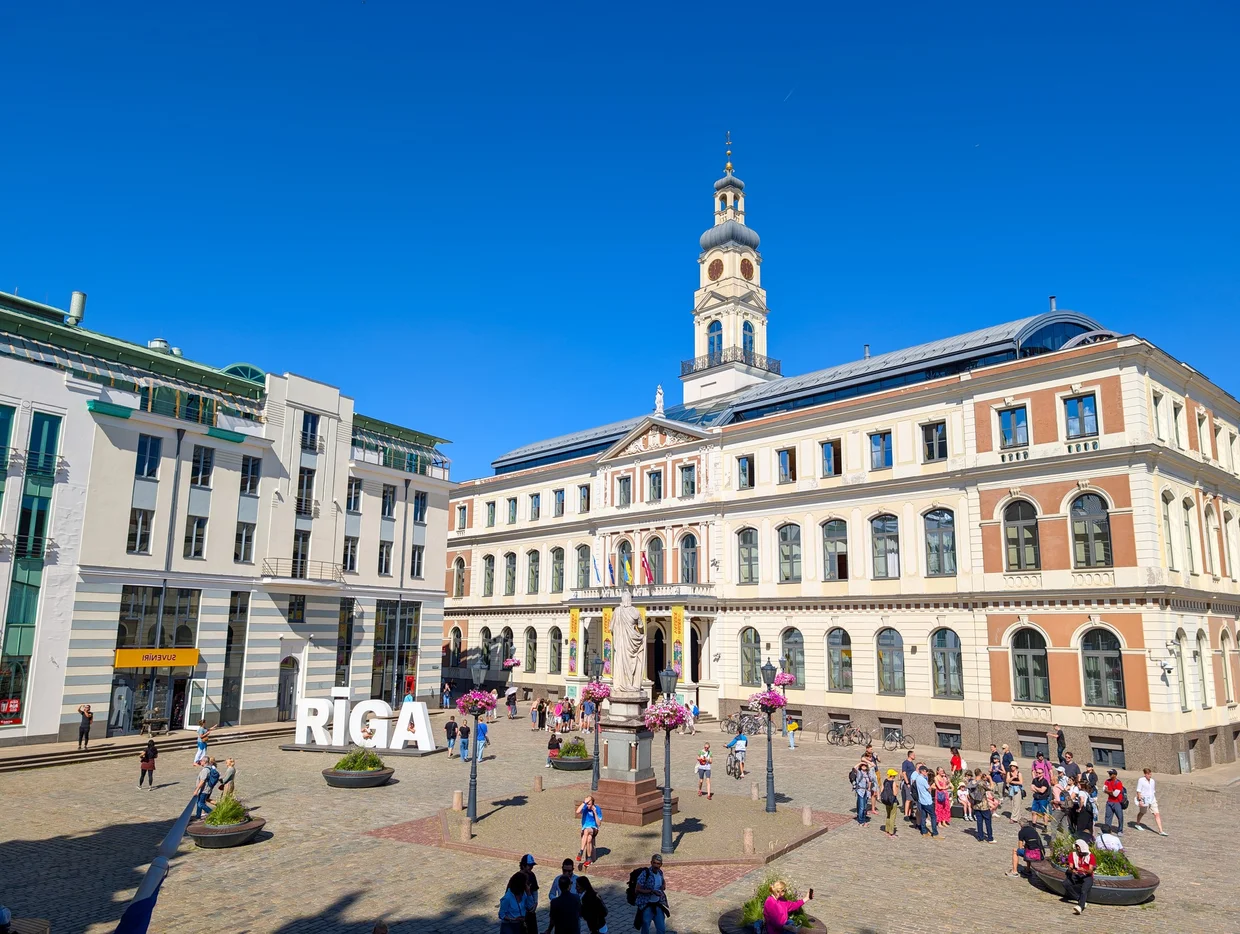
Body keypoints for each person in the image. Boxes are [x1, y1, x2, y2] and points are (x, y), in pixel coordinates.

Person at [634, 854, 668, 934]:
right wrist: (651, 891)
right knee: (645, 927)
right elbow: (637, 889)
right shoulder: (645, 874)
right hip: (647, 905)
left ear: (661, 865)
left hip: (657, 904)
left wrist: (663, 886)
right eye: (654, 863)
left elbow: (663, 882)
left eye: (658, 864)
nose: (656, 865)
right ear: (651, 863)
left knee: (661, 929)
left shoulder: (660, 872)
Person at [1063, 838, 1096, 914]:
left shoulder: (1090, 856)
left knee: (1084, 890)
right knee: (1065, 883)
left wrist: (1084, 870)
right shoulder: (1073, 855)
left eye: (1079, 847)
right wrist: (1072, 870)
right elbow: (1070, 866)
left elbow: (1090, 871)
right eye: (1077, 847)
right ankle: (1081, 900)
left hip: (1087, 876)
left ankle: (1080, 907)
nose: (1078, 849)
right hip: (1077, 874)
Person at [1135, 767, 1167, 835]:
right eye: (1148, 774)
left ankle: (1160, 830)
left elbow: (1153, 790)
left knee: (1156, 813)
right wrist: (1140, 800)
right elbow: (1138, 791)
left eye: (1150, 774)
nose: (1150, 775)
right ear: (1145, 774)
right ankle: (1137, 824)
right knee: (1142, 812)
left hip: (1152, 799)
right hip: (1144, 800)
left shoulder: (1152, 781)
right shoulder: (1141, 780)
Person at [576, 795, 603, 869]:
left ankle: (581, 852)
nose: (588, 805)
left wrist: (595, 813)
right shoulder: (584, 807)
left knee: (586, 830)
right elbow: (577, 811)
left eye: (589, 804)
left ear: (593, 804)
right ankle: (589, 858)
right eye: (587, 804)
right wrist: (584, 802)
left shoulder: (597, 809)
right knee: (589, 839)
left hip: (594, 829)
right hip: (585, 830)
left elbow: (599, 824)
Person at [913, 764, 937, 837]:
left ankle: (924, 831)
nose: (926, 773)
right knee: (933, 816)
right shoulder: (923, 780)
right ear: (922, 771)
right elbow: (928, 789)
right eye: (926, 771)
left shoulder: (917, 778)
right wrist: (933, 787)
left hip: (921, 800)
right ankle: (935, 833)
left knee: (923, 816)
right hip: (927, 801)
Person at [971, 771, 994, 843]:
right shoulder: (981, 783)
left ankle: (980, 837)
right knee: (988, 821)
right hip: (983, 805)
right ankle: (990, 838)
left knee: (979, 822)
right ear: (980, 774)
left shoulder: (972, 782)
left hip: (976, 805)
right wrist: (990, 779)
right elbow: (991, 788)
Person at [519, 854, 539, 934]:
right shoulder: (518, 877)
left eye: (532, 865)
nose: (531, 867)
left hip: (531, 910)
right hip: (521, 911)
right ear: (523, 866)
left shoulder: (532, 875)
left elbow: (535, 890)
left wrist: (536, 903)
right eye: (529, 865)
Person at [1102, 768, 1124, 834]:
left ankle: (1120, 830)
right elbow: (1103, 790)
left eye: (1111, 774)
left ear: (1115, 775)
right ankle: (1107, 830)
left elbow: (1115, 794)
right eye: (1109, 773)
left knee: (1120, 817)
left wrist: (1108, 791)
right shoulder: (1107, 781)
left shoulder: (1119, 783)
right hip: (1109, 802)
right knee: (1108, 817)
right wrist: (1110, 792)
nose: (1109, 775)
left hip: (1117, 803)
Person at [880, 768, 900, 836]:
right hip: (892, 801)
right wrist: (897, 787)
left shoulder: (885, 781)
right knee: (892, 816)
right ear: (893, 776)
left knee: (888, 815)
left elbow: (882, 790)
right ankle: (891, 831)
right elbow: (895, 793)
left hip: (886, 801)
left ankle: (887, 829)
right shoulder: (893, 782)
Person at [900, 749, 917, 822]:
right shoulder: (905, 763)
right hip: (908, 783)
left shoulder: (912, 763)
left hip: (912, 783)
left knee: (912, 799)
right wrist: (907, 783)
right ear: (910, 755)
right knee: (908, 798)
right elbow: (904, 773)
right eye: (913, 755)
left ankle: (910, 813)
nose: (915, 756)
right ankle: (906, 814)